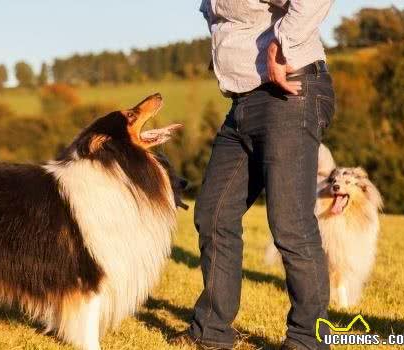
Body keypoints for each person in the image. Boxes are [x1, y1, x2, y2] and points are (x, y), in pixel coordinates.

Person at [173, 1, 335, 349]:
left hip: (289, 92)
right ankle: (211, 332)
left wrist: (282, 43)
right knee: (213, 214)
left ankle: (309, 340)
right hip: (244, 102)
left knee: (290, 223)